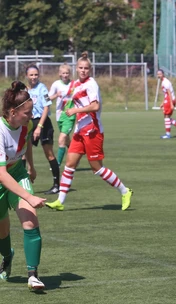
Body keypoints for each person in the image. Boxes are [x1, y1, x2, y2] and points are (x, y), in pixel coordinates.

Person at [45, 52, 133, 212]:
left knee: (97, 168)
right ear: (76, 69)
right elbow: (61, 94)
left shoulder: (91, 84)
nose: (83, 70)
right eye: (81, 68)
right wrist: (43, 100)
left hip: (93, 131)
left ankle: (125, 191)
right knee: (70, 165)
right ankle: (60, 201)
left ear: (90, 70)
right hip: (80, 131)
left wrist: (75, 110)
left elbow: (95, 106)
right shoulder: (75, 84)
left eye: (86, 68)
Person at [0, 81, 47, 291]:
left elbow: (26, 142)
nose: (31, 116)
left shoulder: (26, 125)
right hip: (2, 177)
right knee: (2, 232)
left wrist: (31, 166)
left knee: (30, 222)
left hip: (18, 173)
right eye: (27, 113)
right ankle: (7, 256)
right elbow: (1, 175)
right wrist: (30, 197)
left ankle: (33, 275)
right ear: (13, 112)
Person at [26, 65, 61, 193]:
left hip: (43, 123)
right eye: (31, 75)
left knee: (49, 154)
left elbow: (46, 107)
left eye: (36, 74)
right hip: (29, 123)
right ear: (27, 76)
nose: (34, 77)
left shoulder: (42, 88)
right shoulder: (25, 90)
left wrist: (39, 127)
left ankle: (57, 185)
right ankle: (22, 184)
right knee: (23, 154)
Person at [48, 63, 75, 166]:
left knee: (61, 138)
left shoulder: (74, 84)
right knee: (66, 140)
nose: (65, 75)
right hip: (60, 116)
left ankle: (57, 164)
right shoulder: (56, 84)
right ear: (60, 74)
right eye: (63, 73)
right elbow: (47, 98)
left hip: (70, 115)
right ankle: (76, 153)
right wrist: (56, 95)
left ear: (69, 74)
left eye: (67, 73)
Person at [157, 69, 176, 139]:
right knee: (167, 117)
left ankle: (168, 134)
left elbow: (169, 92)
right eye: (158, 74)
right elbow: (166, 94)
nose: (159, 75)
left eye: (160, 74)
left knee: (166, 117)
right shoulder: (163, 81)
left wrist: (171, 103)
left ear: (163, 74)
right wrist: (163, 103)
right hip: (168, 100)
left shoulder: (165, 82)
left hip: (170, 100)